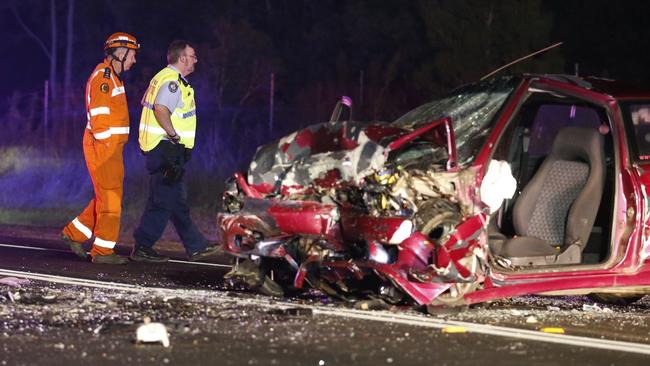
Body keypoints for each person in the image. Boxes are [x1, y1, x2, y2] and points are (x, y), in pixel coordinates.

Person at [131, 40, 217, 262]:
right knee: (163, 200)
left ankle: (196, 245)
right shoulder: (172, 81)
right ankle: (143, 246)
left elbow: (147, 103)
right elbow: (160, 109)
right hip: (165, 149)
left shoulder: (162, 78)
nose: (196, 60)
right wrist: (174, 136)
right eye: (193, 55)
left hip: (164, 149)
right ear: (182, 58)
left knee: (176, 201)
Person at [61, 32, 139, 264]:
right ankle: (103, 252)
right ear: (120, 53)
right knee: (111, 200)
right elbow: (99, 116)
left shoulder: (113, 77)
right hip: (104, 148)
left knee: (105, 197)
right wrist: (107, 146)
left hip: (110, 148)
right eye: (132, 55)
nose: (134, 61)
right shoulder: (104, 78)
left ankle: (74, 234)